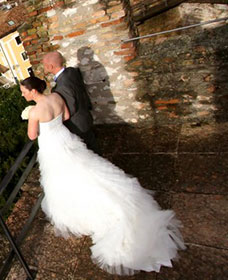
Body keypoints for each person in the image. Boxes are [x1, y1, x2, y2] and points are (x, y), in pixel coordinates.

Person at [20, 76, 185, 275]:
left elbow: (32, 135)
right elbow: (64, 117)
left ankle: (81, 210)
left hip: (53, 147)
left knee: (63, 179)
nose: (22, 94)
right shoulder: (56, 96)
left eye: (24, 91)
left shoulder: (35, 111)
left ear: (33, 91)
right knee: (86, 170)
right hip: (65, 138)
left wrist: (30, 116)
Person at [43, 51, 99, 153]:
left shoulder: (62, 86)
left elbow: (70, 109)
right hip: (85, 116)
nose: (44, 68)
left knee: (90, 153)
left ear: (50, 66)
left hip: (77, 125)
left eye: (45, 65)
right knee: (93, 145)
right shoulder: (71, 71)